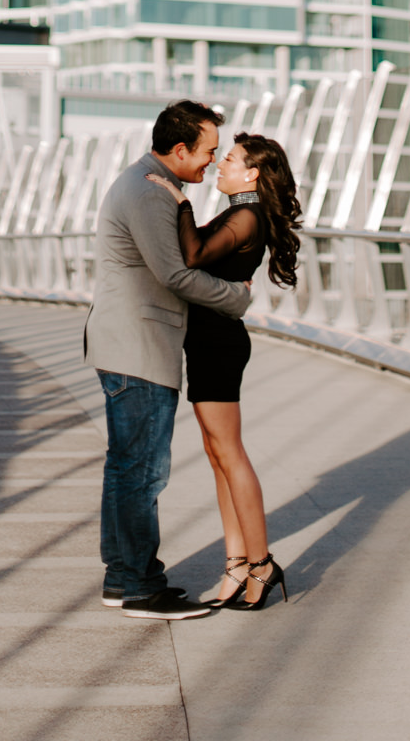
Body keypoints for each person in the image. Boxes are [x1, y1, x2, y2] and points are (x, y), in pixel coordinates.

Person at [85, 99, 253, 622]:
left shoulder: (154, 185)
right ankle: (138, 586)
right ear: (178, 150)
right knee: (142, 472)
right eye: (207, 152)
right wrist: (238, 298)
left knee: (126, 468)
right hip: (139, 346)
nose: (211, 161)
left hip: (132, 343)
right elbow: (175, 275)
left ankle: (124, 578)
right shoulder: (149, 192)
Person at [148, 130, 301, 611]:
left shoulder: (246, 215)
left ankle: (260, 563)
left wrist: (180, 200)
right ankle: (237, 562)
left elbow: (192, 255)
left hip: (218, 344)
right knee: (217, 456)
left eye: (230, 159)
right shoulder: (241, 212)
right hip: (208, 340)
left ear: (252, 173)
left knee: (230, 454)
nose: (221, 164)